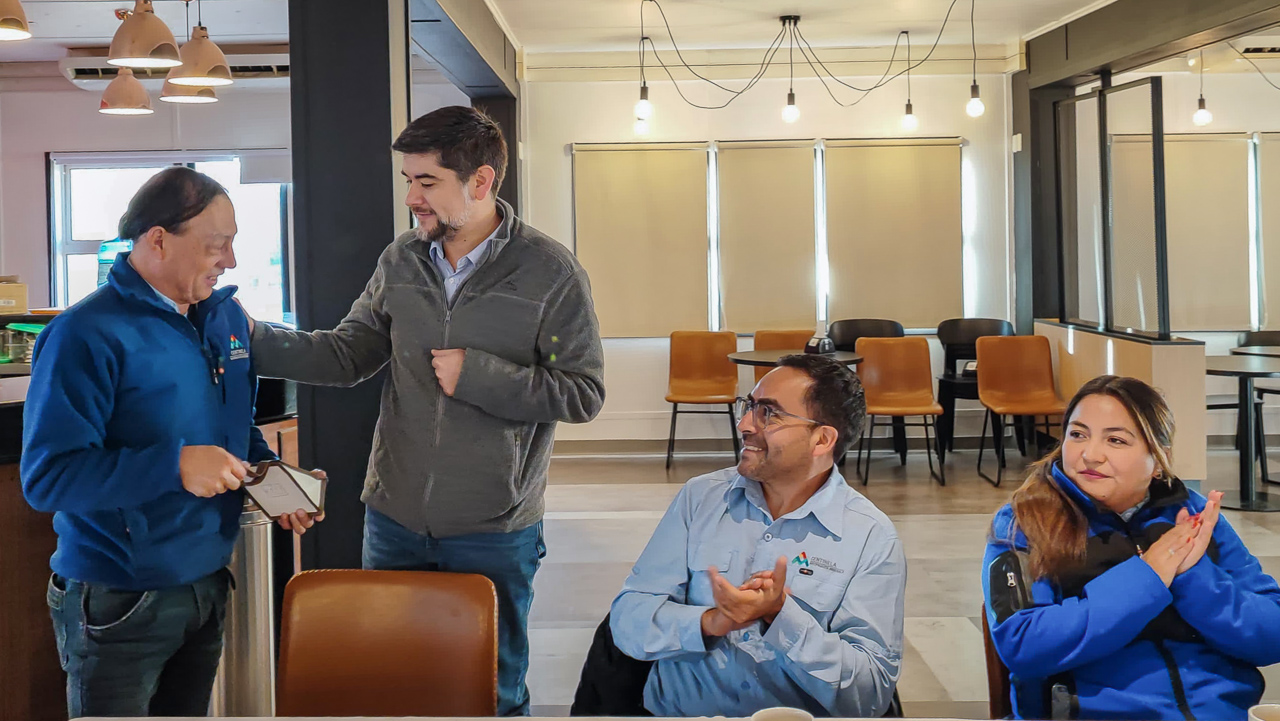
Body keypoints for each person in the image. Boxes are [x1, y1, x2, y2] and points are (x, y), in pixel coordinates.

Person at [243, 105, 605, 716]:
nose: (412, 197)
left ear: (481, 181)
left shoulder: (551, 272)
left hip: (495, 526)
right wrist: (250, 337)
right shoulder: (401, 259)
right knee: (391, 685)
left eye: (427, 182)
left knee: (490, 693)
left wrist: (479, 375)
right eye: (408, 180)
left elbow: (582, 392)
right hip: (394, 519)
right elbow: (347, 354)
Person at [21, 166, 323, 718]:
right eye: (216, 245)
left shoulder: (225, 319)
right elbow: (48, 478)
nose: (230, 260)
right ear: (158, 239)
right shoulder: (83, 334)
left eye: (232, 243)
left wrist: (276, 484)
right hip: (119, 597)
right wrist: (175, 465)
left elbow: (237, 433)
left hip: (208, 583)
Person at [609, 354, 905, 718]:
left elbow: (869, 693)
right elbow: (627, 620)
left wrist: (781, 617)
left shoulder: (870, 537)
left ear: (822, 439)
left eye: (769, 413)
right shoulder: (700, 498)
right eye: (749, 406)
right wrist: (711, 622)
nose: (744, 424)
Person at [983, 375, 1280, 721]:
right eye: (1077, 435)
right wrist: (1148, 576)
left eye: (1116, 440)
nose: (1090, 455)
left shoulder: (1195, 517)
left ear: (1158, 458)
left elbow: (1271, 635)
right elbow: (1023, 644)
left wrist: (1193, 576)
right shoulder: (1025, 521)